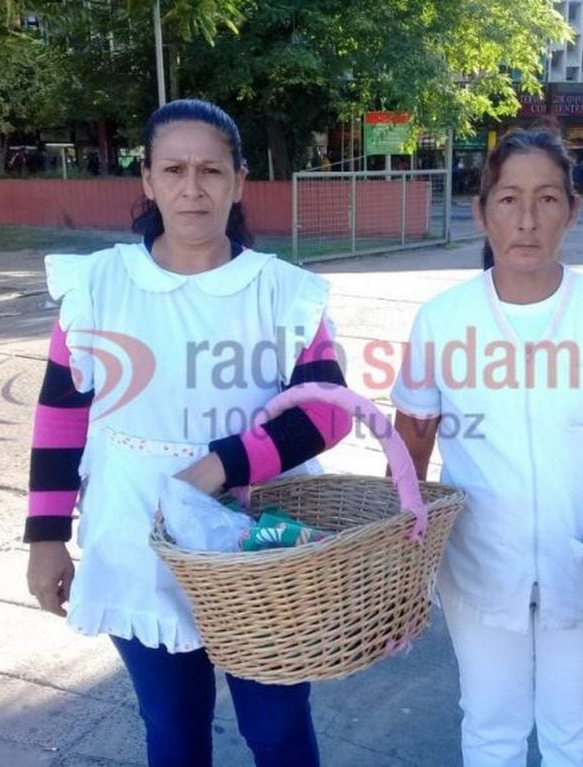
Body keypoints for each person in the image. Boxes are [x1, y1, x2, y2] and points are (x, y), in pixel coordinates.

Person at [25, 99, 353, 767]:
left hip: (259, 543)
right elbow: (60, 417)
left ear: (239, 181)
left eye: (210, 170)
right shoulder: (100, 286)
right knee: (172, 729)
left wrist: (219, 466)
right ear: (146, 178)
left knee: (277, 728)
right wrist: (46, 537)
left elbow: (329, 410)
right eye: (173, 168)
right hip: (136, 536)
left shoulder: (282, 294)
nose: (191, 187)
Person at [390, 127, 583, 767]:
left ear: (572, 210)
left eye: (548, 199)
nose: (527, 220)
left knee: (576, 735)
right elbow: (410, 441)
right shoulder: (443, 319)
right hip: (477, 565)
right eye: (508, 199)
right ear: (481, 211)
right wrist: (399, 557)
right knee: (491, 726)